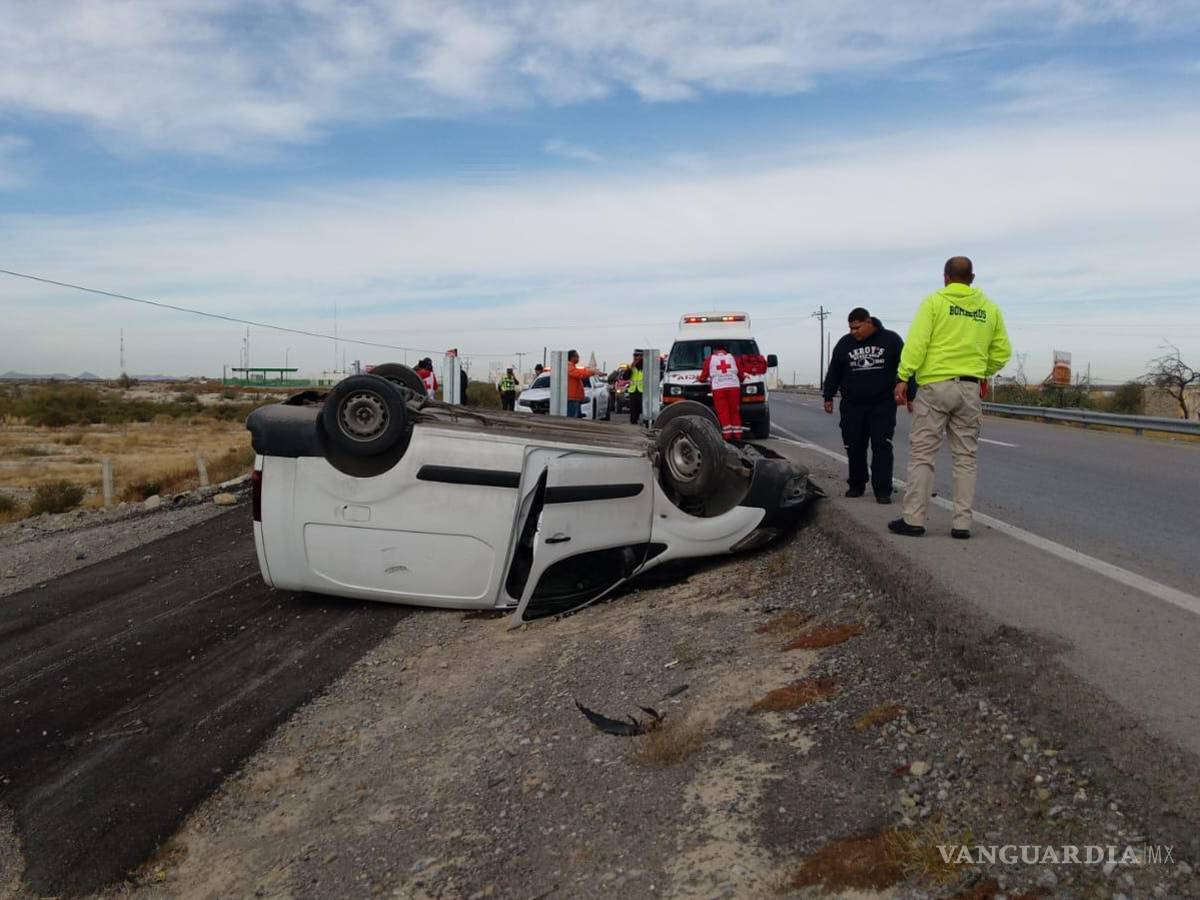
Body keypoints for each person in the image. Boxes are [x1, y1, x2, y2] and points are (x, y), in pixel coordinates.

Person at [889, 256, 1012, 539]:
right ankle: (961, 525)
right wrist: (981, 371)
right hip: (969, 389)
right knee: (966, 457)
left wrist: (904, 376)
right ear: (972, 278)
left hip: (935, 386)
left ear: (945, 277)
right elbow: (1002, 351)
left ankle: (914, 520)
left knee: (923, 455)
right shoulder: (989, 309)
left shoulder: (935, 302)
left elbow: (918, 343)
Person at [822, 308, 905, 503]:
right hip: (852, 405)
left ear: (869, 322)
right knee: (854, 446)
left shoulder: (891, 340)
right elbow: (834, 371)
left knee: (882, 446)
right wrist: (828, 395)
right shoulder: (845, 343)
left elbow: (905, 366)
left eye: (857, 328)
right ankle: (856, 484)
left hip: (882, 405)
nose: (854, 332)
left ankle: (883, 489)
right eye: (851, 328)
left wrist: (909, 391)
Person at [698, 343, 744, 441]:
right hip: (734, 387)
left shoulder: (710, 359)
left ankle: (727, 436)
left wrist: (700, 379)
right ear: (725, 350)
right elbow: (740, 374)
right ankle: (738, 435)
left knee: (723, 411)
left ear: (715, 351)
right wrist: (742, 378)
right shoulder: (733, 358)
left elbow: (703, 376)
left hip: (718, 388)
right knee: (734, 411)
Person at [565, 349, 595, 418]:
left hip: (575, 399)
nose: (578, 358)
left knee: (575, 418)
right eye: (577, 356)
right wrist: (592, 372)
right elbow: (580, 374)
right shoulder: (569, 366)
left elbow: (580, 373)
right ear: (572, 357)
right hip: (572, 398)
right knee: (572, 419)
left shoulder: (571, 367)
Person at [626, 350, 645, 425]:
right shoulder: (631, 366)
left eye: (637, 356)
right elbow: (625, 377)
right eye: (634, 356)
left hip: (643, 391)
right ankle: (633, 423)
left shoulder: (646, 366)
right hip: (633, 391)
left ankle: (646, 423)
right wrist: (631, 367)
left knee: (643, 409)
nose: (635, 358)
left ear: (642, 356)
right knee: (633, 410)